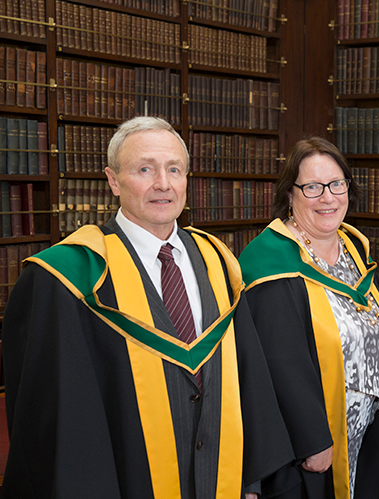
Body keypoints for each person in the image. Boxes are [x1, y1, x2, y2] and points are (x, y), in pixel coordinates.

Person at [1, 116, 294, 498]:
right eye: (145, 169)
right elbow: (60, 422)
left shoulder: (218, 261)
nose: (163, 184)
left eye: (174, 169)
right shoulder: (69, 279)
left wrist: (251, 482)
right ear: (113, 180)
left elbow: (247, 378)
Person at [237, 137, 379, 499]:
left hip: (364, 431)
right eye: (312, 187)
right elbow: (279, 365)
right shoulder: (271, 263)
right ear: (290, 194)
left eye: (336, 184)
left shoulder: (353, 248)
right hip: (308, 450)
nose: (328, 197)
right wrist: (311, 439)